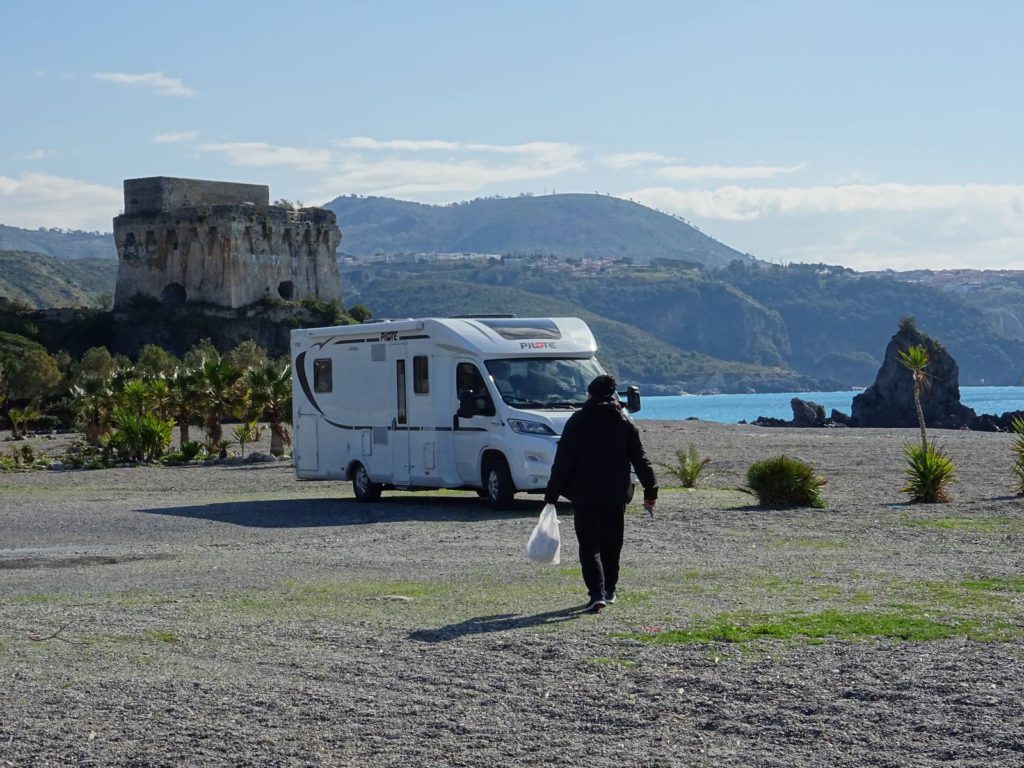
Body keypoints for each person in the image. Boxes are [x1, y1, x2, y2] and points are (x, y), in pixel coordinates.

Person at [543, 374, 658, 613]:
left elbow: (563, 461)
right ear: (614, 395)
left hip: (584, 494)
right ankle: (610, 589)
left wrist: (551, 494)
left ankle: (596, 592)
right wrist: (651, 489)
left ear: (590, 394)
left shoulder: (578, 421)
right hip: (616, 494)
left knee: (589, 545)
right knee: (612, 543)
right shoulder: (624, 423)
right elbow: (640, 459)